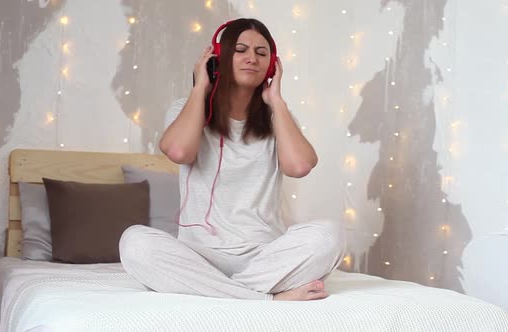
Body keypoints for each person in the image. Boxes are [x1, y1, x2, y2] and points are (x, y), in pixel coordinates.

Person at [119, 18, 345, 301]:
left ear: (272, 65)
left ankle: (220, 292)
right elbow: (179, 152)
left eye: (262, 53)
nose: (252, 58)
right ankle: (267, 299)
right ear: (219, 57)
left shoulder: (279, 119)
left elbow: (299, 167)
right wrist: (201, 87)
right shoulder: (185, 110)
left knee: (329, 235)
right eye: (241, 50)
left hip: (264, 259)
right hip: (197, 257)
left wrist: (277, 101)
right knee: (135, 243)